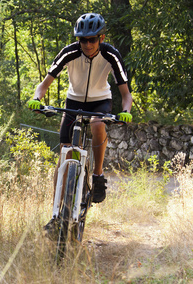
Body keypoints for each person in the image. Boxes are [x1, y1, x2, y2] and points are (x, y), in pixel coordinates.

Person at [27, 13, 133, 232]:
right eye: (82, 39)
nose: (86, 44)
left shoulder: (111, 54)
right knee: (64, 157)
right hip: (73, 102)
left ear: (101, 38)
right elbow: (44, 84)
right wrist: (37, 99)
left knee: (97, 124)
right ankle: (57, 215)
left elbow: (126, 94)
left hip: (100, 102)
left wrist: (126, 112)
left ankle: (97, 174)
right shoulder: (69, 52)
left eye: (92, 39)